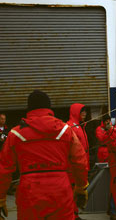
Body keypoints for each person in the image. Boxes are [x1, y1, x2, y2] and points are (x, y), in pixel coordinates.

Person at [0, 90, 89, 220]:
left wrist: (1, 197)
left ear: (29, 108)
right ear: (49, 108)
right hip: (60, 190)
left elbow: (4, 170)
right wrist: (81, 186)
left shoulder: (15, 134)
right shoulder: (65, 131)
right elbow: (80, 161)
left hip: (29, 192)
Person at [67, 103, 90, 220]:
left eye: (85, 112)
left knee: (77, 191)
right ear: (76, 112)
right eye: (82, 112)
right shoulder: (71, 127)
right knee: (72, 191)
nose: (85, 114)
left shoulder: (80, 126)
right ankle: (72, 215)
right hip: (74, 167)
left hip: (80, 164)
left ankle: (74, 214)